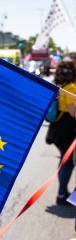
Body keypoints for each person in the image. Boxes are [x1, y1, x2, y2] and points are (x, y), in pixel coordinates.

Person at [46, 60, 76, 205]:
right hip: (67, 128)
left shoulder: (60, 85)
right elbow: (73, 113)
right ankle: (61, 194)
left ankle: (62, 192)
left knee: (64, 160)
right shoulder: (71, 87)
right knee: (68, 162)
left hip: (57, 127)